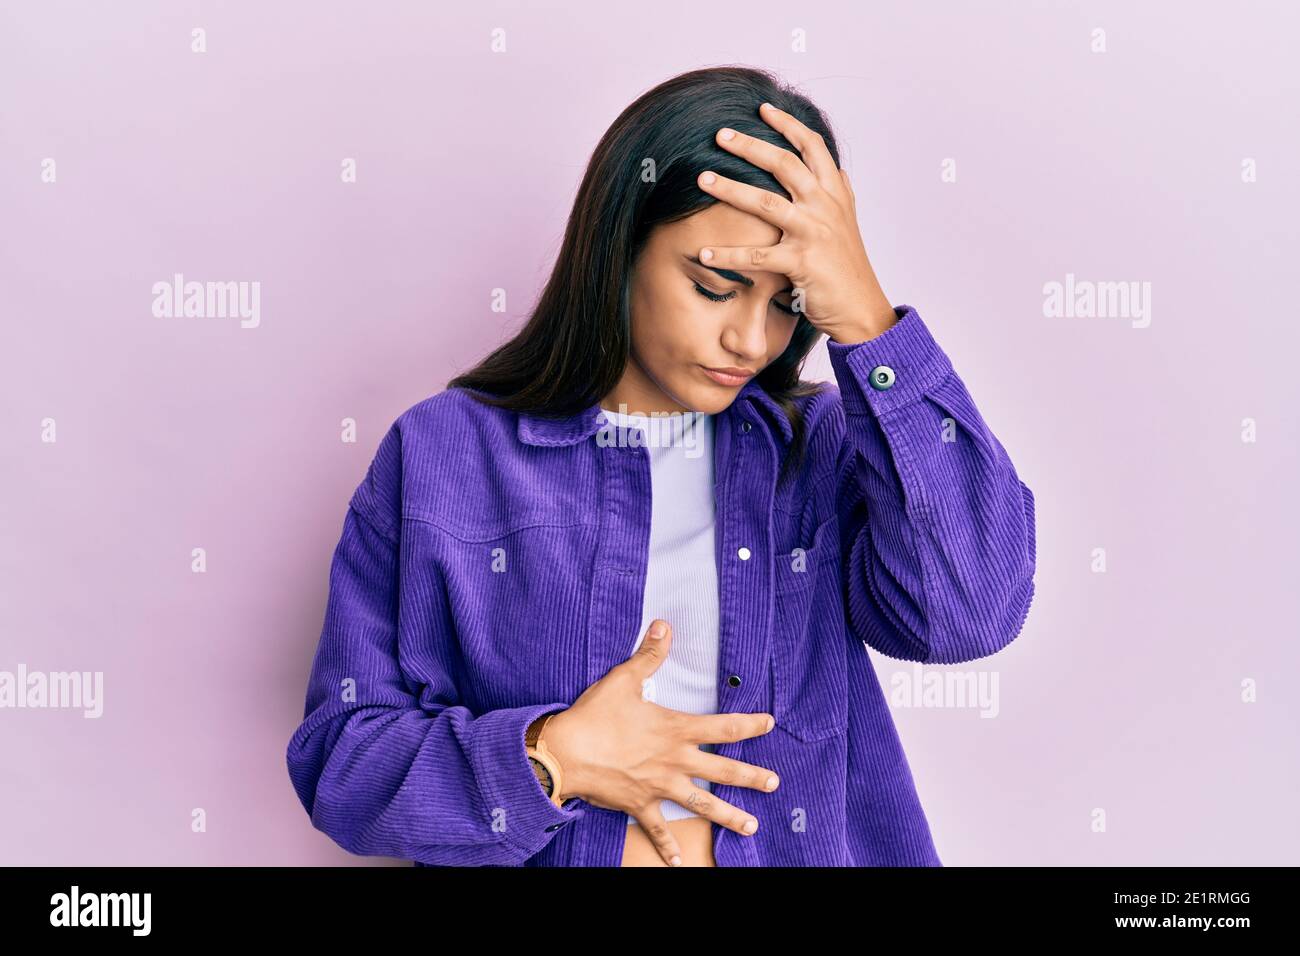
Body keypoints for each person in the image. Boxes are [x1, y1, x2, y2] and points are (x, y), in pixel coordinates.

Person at [285, 65, 1037, 867]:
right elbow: (344, 765)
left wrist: (867, 320)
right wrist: (552, 757)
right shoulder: (446, 454)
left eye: (788, 304)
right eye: (716, 286)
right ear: (620, 248)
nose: (752, 340)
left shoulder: (821, 448)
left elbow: (967, 614)